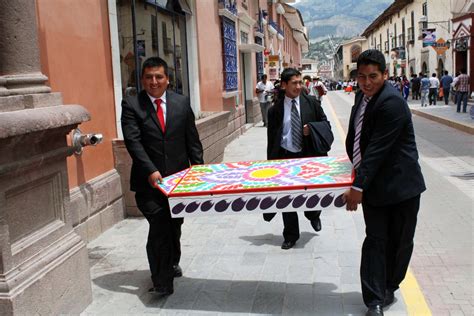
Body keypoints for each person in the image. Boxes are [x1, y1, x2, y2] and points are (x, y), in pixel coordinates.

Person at [343, 49, 425, 316]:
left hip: (402, 187)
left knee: (400, 242)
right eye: (362, 77)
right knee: (376, 241)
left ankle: (390, 285)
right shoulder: (362, 97)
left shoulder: (391, 102)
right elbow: (357, 136)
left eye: (373, 76)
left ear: (386, 75)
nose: (367, 82)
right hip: (376, 186)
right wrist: (353, 169)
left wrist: (357, 186)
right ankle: (374, 299)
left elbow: (377, 149)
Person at [121, 57, 204, 296]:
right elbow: (133, 141)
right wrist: (150, 170)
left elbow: (192, 140)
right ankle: (161, 281)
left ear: (168, 79)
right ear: (142, 80)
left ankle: (171, 262)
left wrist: (198, 170)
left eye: (158, 77)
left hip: (179, 182)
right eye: (148, 77)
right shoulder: (132, 105)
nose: (153, 82)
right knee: (159, 226)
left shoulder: (181, 103)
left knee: (174, 225)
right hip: (149, 184)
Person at [264, 68, 330, 250]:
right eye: (294, 83)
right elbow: (272, 141)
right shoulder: (274, 110)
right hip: (285, 157)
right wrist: (271, 165)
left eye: (300, 82)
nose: (298, 86)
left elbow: (326, 124)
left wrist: (313, 129)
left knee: (310, 194)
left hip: (307, 156)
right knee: (287, 197)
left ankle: (313, 214)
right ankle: (291, 235)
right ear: (284, 85)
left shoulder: (312, 103)